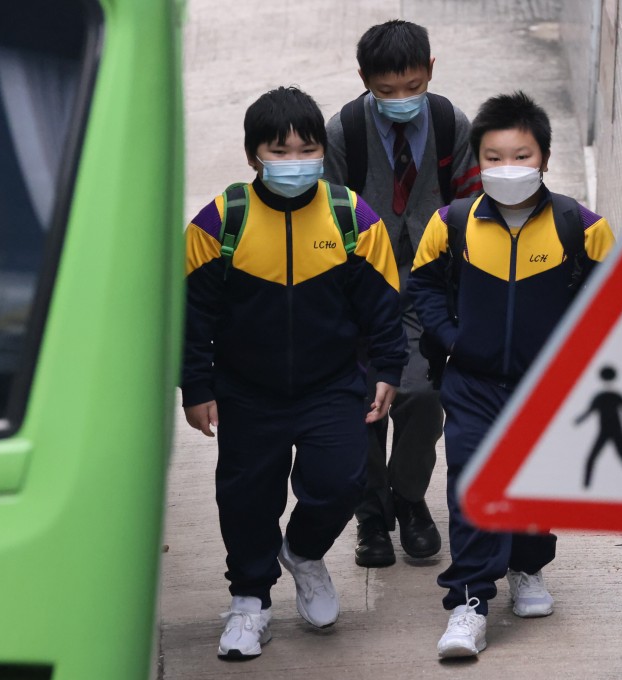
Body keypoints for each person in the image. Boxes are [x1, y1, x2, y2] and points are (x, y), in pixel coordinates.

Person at [181, 85, 407, 660]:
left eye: (306, 150)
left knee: (341, 481)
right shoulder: (219, 222)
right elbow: (191, 314)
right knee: (247, 497)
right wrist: (197, 386)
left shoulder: (352, 216)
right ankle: (250, 602)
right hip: (245, 391)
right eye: (279, 152)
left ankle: (304, 552)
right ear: (253, 152)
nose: (294, 162)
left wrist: (387, 366)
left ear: (321, 153)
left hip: (331, 384)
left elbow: (382, 304)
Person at [407, 91, 616, 658]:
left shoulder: (583, 227)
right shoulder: (451, 224)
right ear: (477, 161)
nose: (508, 168)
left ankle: (527, 567)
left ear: (544, 158)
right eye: (494, 157)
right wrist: (453, 341)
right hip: (472, 384)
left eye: (521, 155)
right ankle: (469, 604)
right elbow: (422, 286)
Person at [324, 19, 481, 568]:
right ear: (364, 78)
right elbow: (328, 215)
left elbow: (470, 203)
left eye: (413, 87)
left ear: (430, 73)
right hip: (360, 289)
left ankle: (409, 498)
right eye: (386, 91)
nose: (401, 101)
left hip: (428, 285)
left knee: (424, 395)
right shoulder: (342, 132)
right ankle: (371, 513)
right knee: (364, 400)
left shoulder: (449, 123)